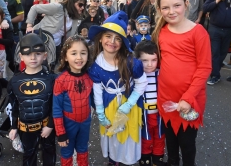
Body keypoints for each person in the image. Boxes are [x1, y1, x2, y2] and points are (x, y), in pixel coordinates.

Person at [152, 0, 211, 166]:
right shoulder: (161, 32)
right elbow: (159, 62)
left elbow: (204, 68)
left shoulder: (198, 32)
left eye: (176, 5)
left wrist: (188, 97)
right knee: (170, 139)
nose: (172, 11)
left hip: (190, 99)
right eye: (166, 7)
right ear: (160, 10)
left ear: (186, 4)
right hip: (166, 98)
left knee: (186, 143)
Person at [88, 11, 148, 166]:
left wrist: (129, 104)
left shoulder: (131, 62)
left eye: (117, 39)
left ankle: (126, 161)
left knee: (127, 137)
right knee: (112, 137)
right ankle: (113, 161)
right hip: (109, 107)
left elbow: (142, 83)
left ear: (122, 42)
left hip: (129, 106)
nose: (112, 41)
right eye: (108, 36)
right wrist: (100, 112)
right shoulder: (95, 66)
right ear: (101, 38)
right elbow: (98, 90)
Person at [8, 33, 56, 165]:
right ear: (21, 56)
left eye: (38, 53)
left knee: (49, 153)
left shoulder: (52, 79)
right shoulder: (15, 81)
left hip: (47, 126)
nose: (33, 57)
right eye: (28, 54)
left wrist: (51, 125)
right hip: (26, 128)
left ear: (45, 55)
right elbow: (15, 106)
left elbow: (55, 105)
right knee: (28, 157)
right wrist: (13, 127)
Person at [53, 35, 92, 166]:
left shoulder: (89, 76)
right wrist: (60, 132)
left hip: (85, 122)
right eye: (73, 53)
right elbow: (57, 109)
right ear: (65, 56)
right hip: (68, 123)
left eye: (83, 53)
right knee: (67, 152)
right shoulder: (61, 80)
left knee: (83, 149)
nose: (79, 58)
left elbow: (94, 99)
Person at [26, 0, 87, 65]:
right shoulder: (58, 8)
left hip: (56, 45)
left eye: (84, 5)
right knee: (39, 67)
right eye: (80, 5)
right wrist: (29, 25)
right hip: (41, 41)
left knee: (52, 67)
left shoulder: (75, 17)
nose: (82, 8)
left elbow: (72, 34)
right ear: (72, 3)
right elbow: (34, 8)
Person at [134, 40, 166, 166]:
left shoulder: (161, 74)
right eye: (144, 60)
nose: (149, 64)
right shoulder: (136, 76)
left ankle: (158, 158)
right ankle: (145, 158)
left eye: (153, 60)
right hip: (144, 114)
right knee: (145, 137)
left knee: (160, 136)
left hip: (159, 113)